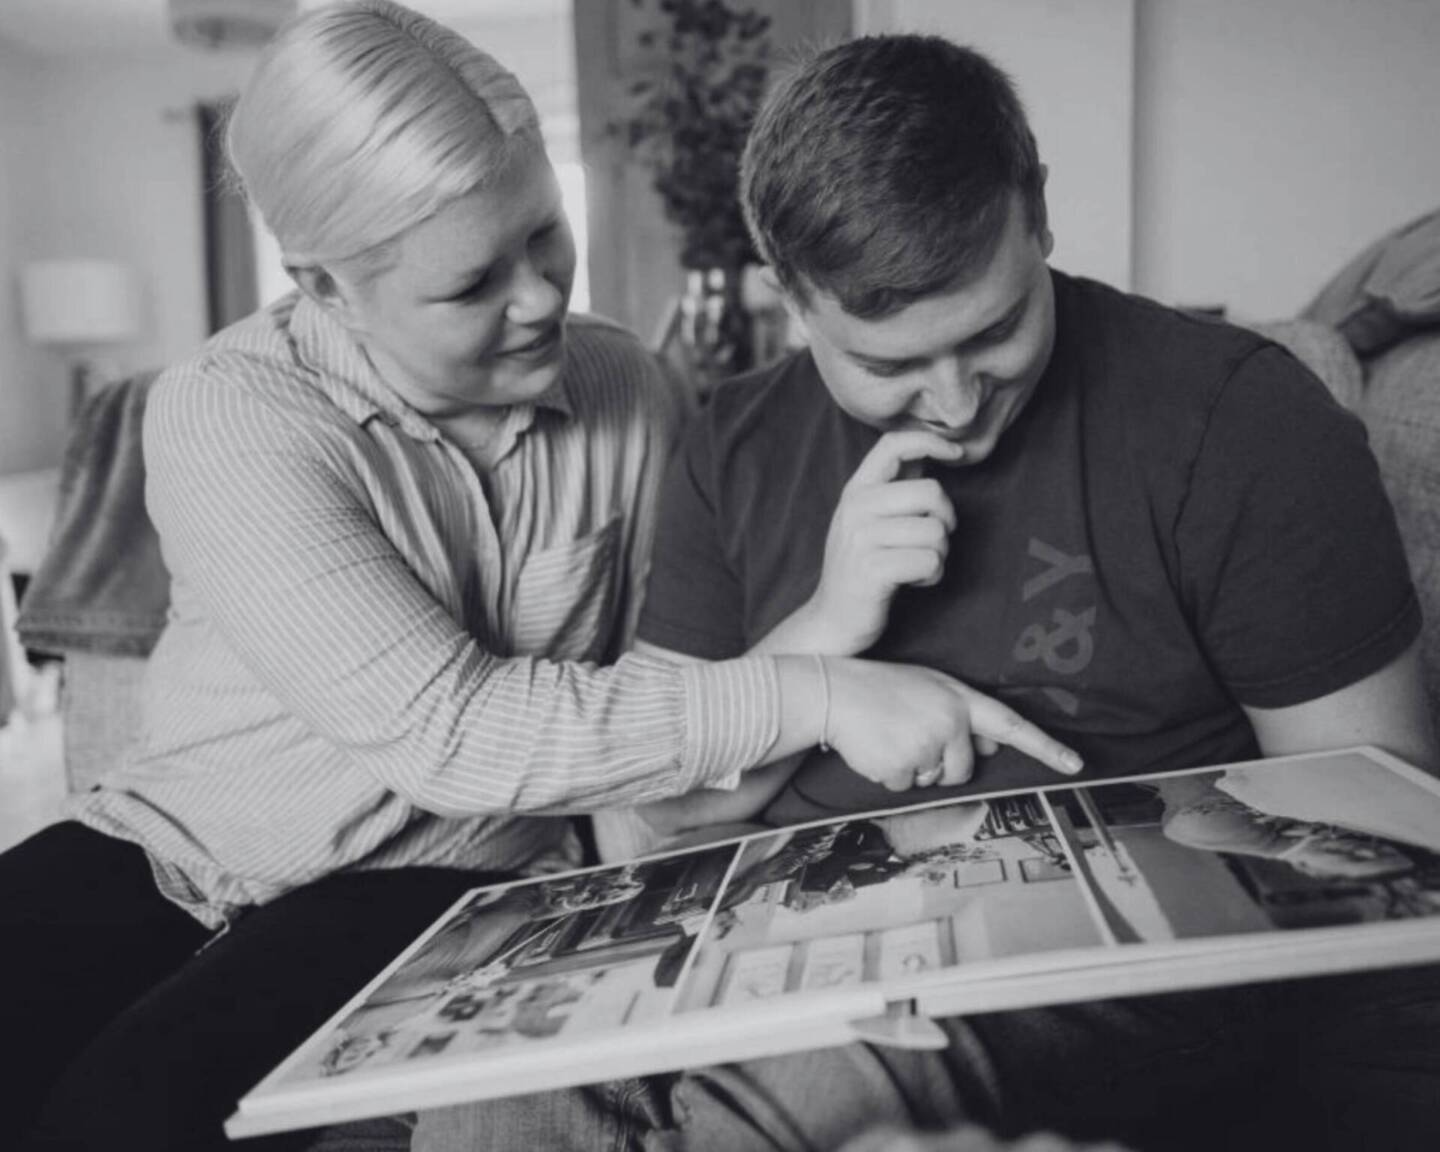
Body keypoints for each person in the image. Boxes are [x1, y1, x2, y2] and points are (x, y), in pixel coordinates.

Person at [0, 11, 1083, 1152]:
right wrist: (819, 692)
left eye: (545, 236)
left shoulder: (628, 389)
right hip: (174, 842)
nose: (536, 300)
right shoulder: (230, 411)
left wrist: (825, 641)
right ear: (323, 288)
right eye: (471, 285)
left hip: (444, 880)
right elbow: (447, 726)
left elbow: (672, 695)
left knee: (112, 1116)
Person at [419, 34, 1440, 1152]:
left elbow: (1381, 842)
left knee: (823, 1086)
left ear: (1036, 213)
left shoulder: (1240, 421)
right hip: (766, 935)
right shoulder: (732, 443)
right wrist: (823, 639)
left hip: (1103, 968)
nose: (956, 402)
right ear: (794, 302)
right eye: (891, 366)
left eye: (997, 329)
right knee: (494, 1093)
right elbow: (634, 829)